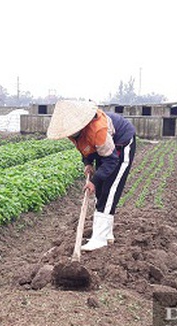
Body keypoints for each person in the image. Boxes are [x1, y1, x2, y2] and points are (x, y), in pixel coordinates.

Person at [47, 100, 136, 251]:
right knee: (100, 191)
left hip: (121, 144)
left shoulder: (97, 130)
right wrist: (87, 163)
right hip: (105, 149)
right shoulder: (75, 133)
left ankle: (100, 239)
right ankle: (105, 234)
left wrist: (94, 181)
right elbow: (85, 147)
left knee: (110, 190)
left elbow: (112, 160)